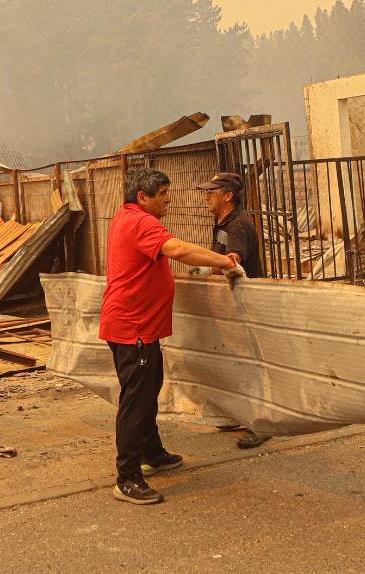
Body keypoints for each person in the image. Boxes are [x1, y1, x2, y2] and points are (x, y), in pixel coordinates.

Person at [101, 167, 240, 505]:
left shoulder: (127, 216)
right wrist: (224, 261)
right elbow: (177, 250)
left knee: (148, 390)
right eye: (163, 194)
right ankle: (128, 477)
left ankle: (151, 452)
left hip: (137, 327)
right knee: (136, 400)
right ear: (142, 197)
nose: (169, 200)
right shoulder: (140, 222)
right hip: (133, 328)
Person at [195, 171, 272, 450]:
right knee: (235, 360)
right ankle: (237, 413)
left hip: (247, 303)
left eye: (212, 192)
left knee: (250, 362)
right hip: (234, 301)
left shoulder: (238, 225)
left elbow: (232, 261)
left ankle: (261, 423)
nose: (207, 196)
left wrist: (204, 265)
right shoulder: (225, 222)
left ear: (228, 195)